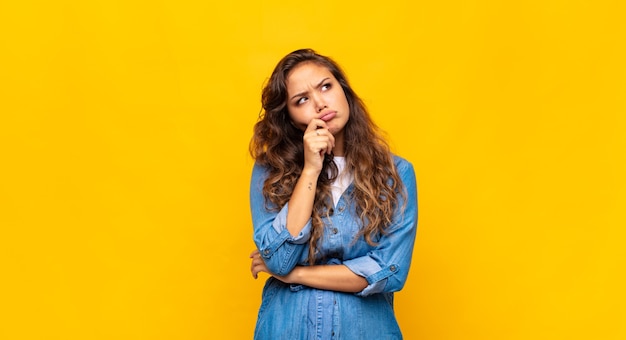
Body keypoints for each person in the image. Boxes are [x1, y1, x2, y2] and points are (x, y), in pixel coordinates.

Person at [248, 48, 418, 339]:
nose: (319, 103)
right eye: (301, 100)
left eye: (326, 86)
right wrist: (311, 170)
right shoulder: (269, 171)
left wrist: (296, 276)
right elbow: (280, 259)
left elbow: (389, 271)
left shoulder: (396, 174)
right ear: (289, 117)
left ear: (344, 89)